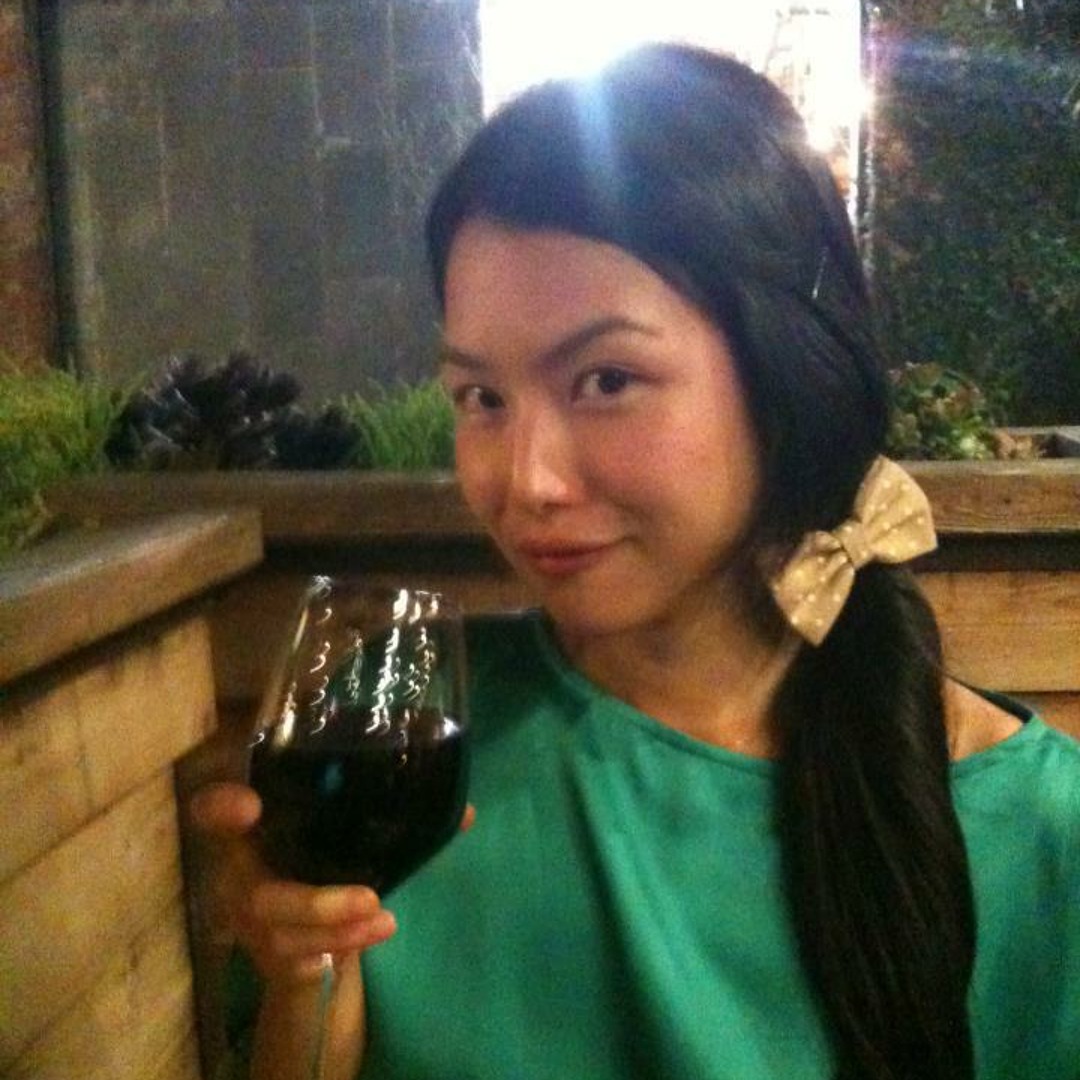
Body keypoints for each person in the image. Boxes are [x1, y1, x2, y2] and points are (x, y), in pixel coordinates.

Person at [193, 43, 1080, 1080]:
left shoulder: (1038, 835)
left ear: (788, 376)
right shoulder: (396, 732)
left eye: (606, 380)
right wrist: (302, 971)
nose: (527, 481)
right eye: (482, 397)